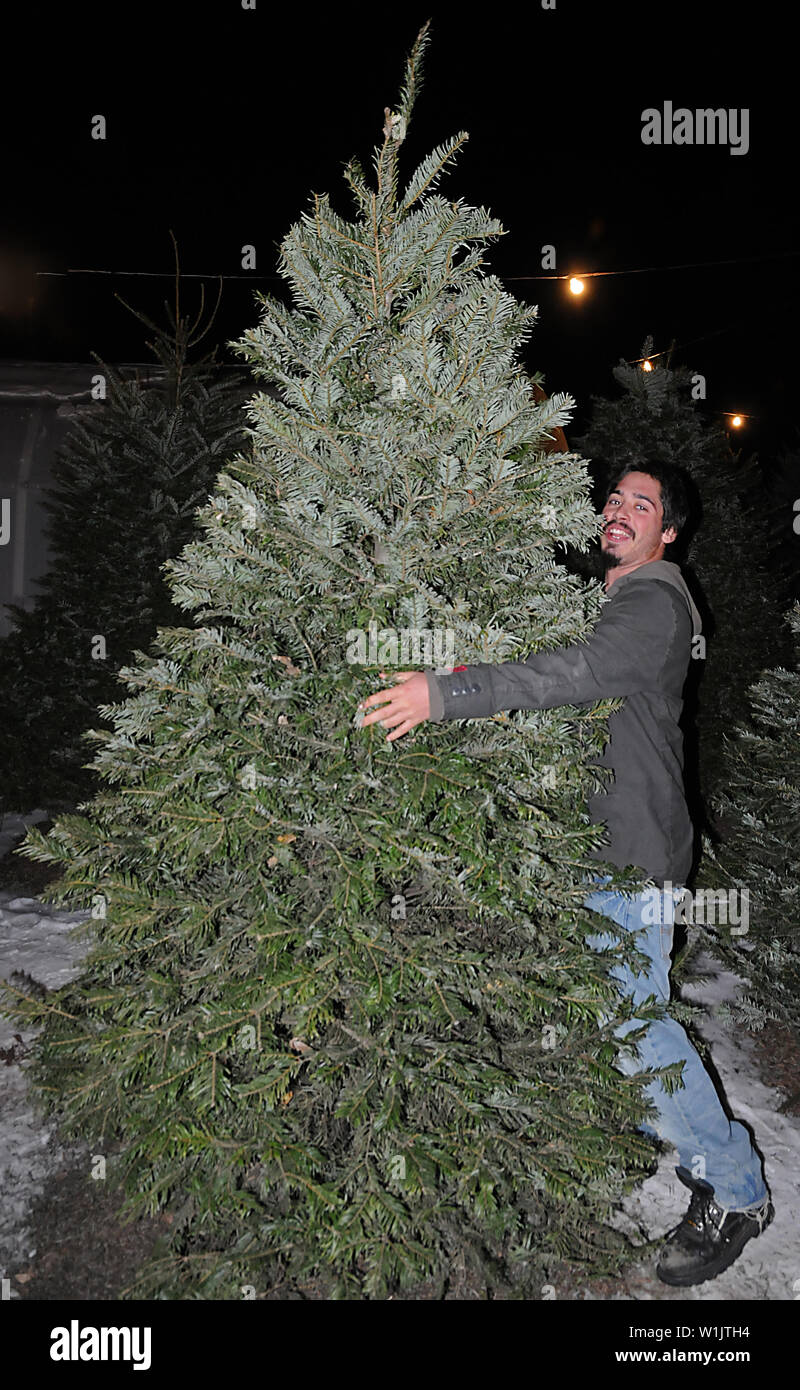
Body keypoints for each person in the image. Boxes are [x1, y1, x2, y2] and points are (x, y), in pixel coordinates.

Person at [357, 462, 773, 1287]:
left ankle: (738, 1187)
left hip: (630, 853)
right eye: (614, 499)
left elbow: (577, 674)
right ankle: (649, 1138)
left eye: (641, 506)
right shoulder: (620, 597)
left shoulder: (654, 602)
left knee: (635, 1026)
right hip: (592, 846)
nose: (618, 511)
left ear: (670, 531)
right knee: (610, 1019)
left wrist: (443, 694)